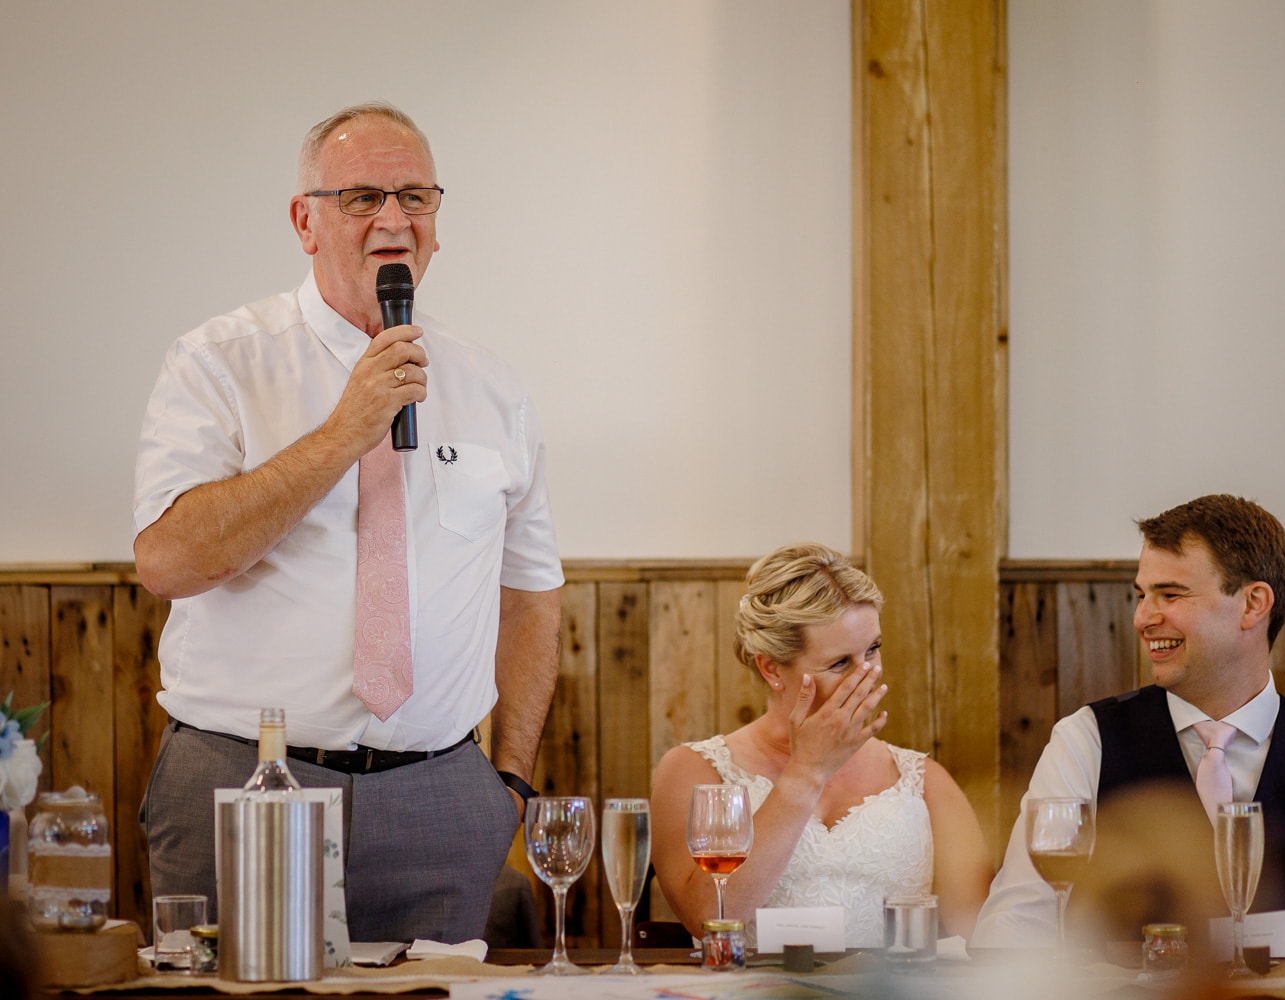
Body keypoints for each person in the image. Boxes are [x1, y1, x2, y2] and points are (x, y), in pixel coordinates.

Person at [132, 102, 563, 944]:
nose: (395, 220)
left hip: (443, 799)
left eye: (416, 197)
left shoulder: (493, 388)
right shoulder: (219, 363)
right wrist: (343, 433)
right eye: (363, 197)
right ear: (305, 221)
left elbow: (531, 595)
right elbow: (168, 562)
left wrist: (508, 780)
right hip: (248, 785)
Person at [969, 494, 1285, 948]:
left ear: (1253, 604)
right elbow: (1011, 927)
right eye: (1141, 596)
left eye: (1170, 594)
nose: (1142, 618)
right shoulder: (1084, 742)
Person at [649, 543, 992, 947]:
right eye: (840, 663)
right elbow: (708, 917)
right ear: (771, 668)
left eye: (873, 649)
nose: (868, 674)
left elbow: (981, 935)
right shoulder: (693, 770)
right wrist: (806, 773)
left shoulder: (923, 780)